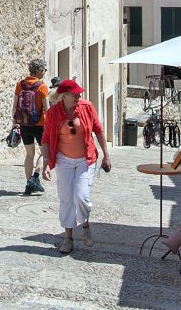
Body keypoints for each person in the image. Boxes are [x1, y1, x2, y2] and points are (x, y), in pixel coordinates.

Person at [40, 79, 110, 254]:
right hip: (64, 160)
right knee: (66, 199)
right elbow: (46, 139)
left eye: (79, 95)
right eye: (75, 95)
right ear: (64, 96)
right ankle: (68, 238)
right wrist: (46, 163)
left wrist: (106, 155)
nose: (79, 97)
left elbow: (98, 130)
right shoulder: (53, 113)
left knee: (81, 196)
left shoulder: (86, 107)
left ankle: (85, 224)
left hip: (85, 160)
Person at [12, 58, 50, 196]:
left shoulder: (20, 84)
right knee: (46, 152)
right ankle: (35, 177)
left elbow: (15, 106)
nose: (44, 72)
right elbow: (47, 109)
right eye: (44, 70)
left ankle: (28, 184)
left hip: (24, 125)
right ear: (39, 70)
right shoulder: (42, 86)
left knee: (29, 155)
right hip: (39, 126)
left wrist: (15, 123)